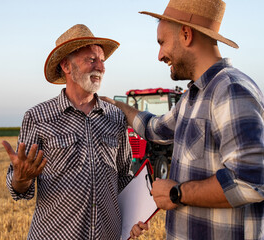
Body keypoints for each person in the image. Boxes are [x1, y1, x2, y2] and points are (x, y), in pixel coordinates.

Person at [101, 0, 264, 239]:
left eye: (162, 42)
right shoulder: (192, 97)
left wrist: (177, 193)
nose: (160, 55)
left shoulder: (230, 89)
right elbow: (154, 129)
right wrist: (118, 107)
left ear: (186, 34)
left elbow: (251, 183)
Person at [2, 24, 133, 240]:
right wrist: (21, 178)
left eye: (102, 61)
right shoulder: (38, 117)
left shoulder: (116, 117)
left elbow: (124, 178)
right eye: (92, 59)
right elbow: (19, 189)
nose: (101, 67)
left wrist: (133, 219)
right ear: (66, 65)